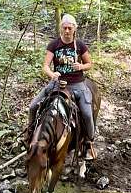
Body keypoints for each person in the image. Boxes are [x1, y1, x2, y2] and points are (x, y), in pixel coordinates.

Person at [28, 14, 96, 160]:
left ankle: (89, 142)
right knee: (33, 106)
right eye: (64, 28)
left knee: (87, 113)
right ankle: (30, 135)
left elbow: (90, 64)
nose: (66, 31)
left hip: (77, 84)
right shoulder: (54, 44)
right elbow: (45, 66)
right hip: (57, 84)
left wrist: (80, 66)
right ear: (61, 28)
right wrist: (52, 74)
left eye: (69, 28)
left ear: (74, 29)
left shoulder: (80, 45)